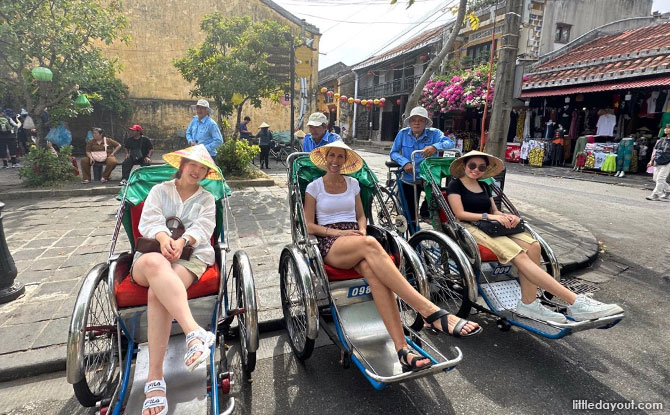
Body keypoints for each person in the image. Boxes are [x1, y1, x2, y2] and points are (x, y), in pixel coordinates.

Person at [304, 141, 481, 373]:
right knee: (370, 245)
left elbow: (360, 216)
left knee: (375, 274)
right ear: (325, 158)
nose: (336, 161)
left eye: (340, 157)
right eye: (332, 156)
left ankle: (402, 349)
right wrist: (342, 233)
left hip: (357, 238)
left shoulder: (353, 183)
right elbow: (309, 225)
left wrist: (362, 231)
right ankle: (428, 310)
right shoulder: (314, 187)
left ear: (346, 161)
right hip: (331, 242)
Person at [446, 150, 624, 322]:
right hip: (470, 227)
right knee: (519, 254)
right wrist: (491, 217)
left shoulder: (484, 185)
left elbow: (494, 210)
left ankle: (528, 304)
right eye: (472, 165)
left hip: (492, 225)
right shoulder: (456, 184)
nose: (476, 169)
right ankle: (575, 302)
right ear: (464, 164)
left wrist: (506, 216)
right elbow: (460, 214)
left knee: (534, 246)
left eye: (481, 167)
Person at [131, 144, 220, 415]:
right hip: (150, 258)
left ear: (206, 172)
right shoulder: (159, 191)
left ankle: (155, 379)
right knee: (157, 264)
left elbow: (204, 227)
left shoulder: (206, 199)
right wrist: (162, 238)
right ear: (181, 166)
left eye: (202, 167)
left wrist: (182, 241)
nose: (196, 170)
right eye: (191, 164)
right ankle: (195, 332)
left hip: (190, 257)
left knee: (158, 293)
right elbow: (148, 221)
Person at [390, 106, 454, 224]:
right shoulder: (402, 134)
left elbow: (450, 143)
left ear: (426, 122)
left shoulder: (434, 133)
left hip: (429, 176)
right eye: (414, 120)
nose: (417, 123)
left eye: (420, 120)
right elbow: (393, 153)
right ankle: (413, 236)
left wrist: (435, 147)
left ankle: (425, 214)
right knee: (410, 215)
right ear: (409, 122)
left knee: (435, 202)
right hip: (409, 177)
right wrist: (405, 163)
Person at [645, 124, 670, 201]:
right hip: (658, 161)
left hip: (667, 162)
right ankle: (668, 190)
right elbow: (656, 152)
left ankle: (655, 195)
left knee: (660, 178)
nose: (666, 129)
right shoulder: (661, 140)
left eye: (668, 128)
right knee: (656, 179)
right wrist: (651, 161)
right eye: (666, 127)